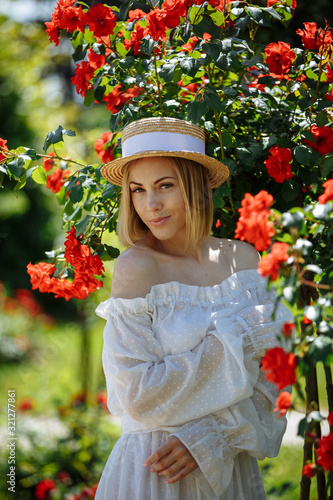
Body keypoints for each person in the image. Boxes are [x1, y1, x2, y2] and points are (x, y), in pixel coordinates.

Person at [95, 117, 293, 500]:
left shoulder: (245, 261)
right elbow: (137, 393)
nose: (150, 205)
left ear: (195, 185)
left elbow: (275, 378)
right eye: (138, 190)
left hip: (230, 465)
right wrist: (244, 336)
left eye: (165, 186)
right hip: (156, 471)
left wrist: (214, 436)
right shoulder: (138, 268)